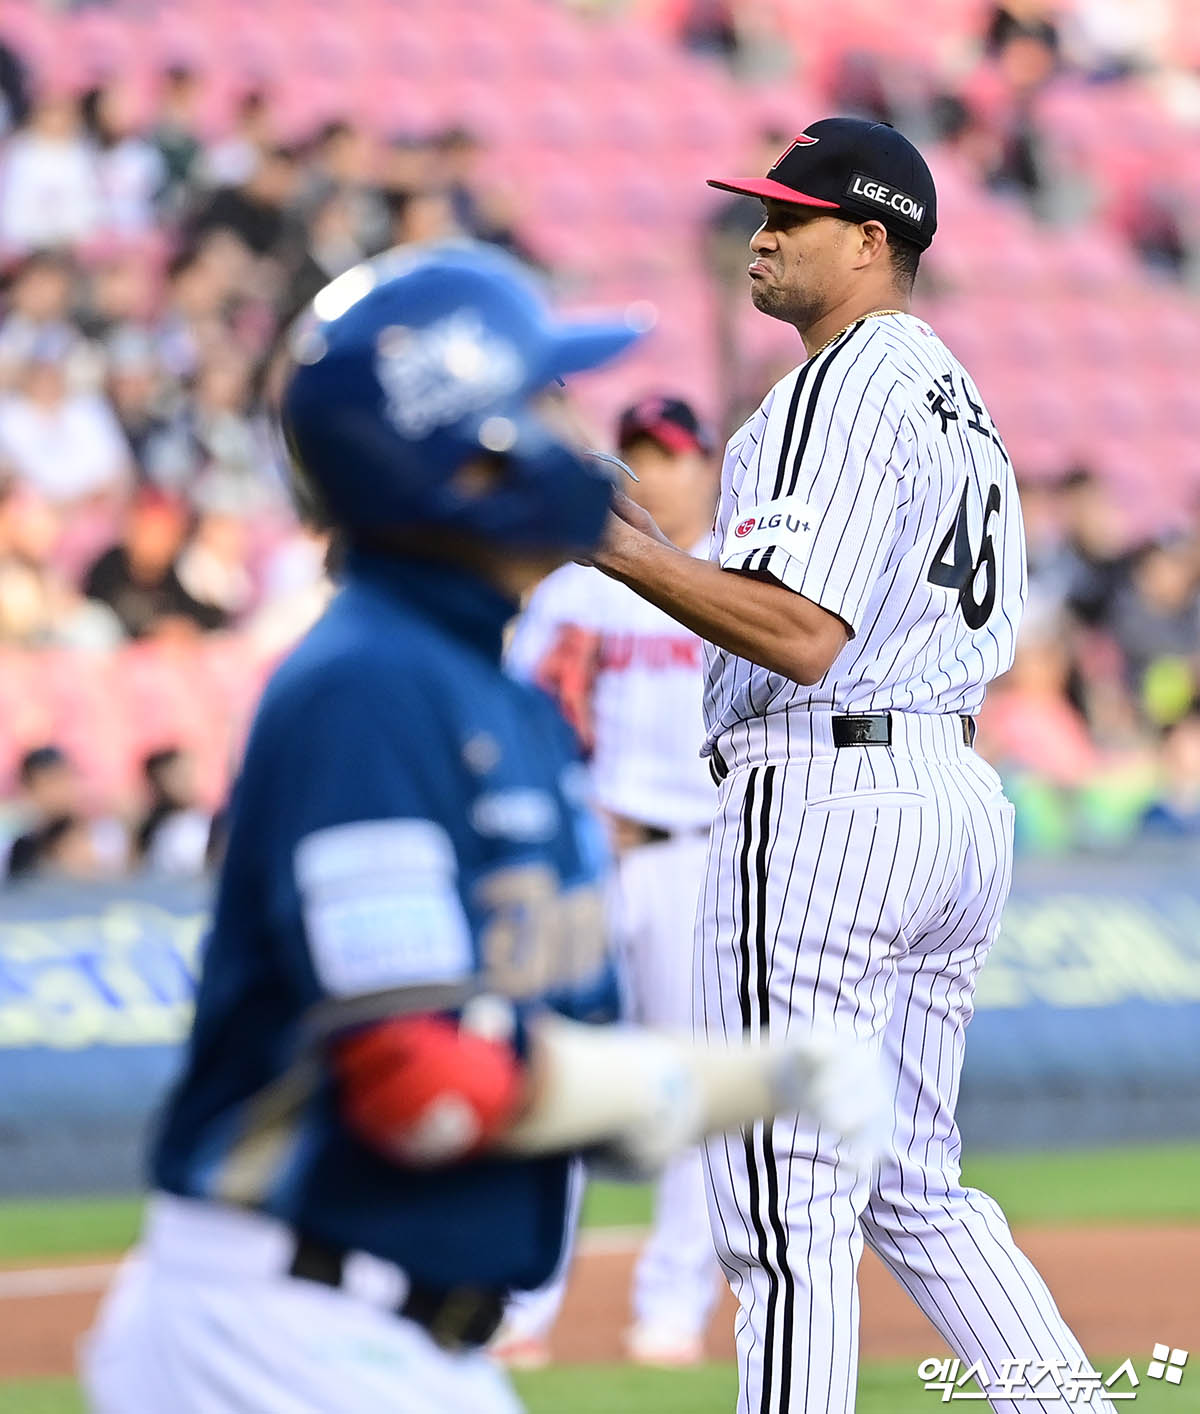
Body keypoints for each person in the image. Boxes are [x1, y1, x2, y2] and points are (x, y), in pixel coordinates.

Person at [78, 243, 879, 1414]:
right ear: (468, 457)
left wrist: (732, 1082)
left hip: (393, 1327)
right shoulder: (370, 690)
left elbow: (547, 1058)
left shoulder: (496, 690)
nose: (582, 439)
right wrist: (747, 1074)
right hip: (281, 1330)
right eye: (544, 403)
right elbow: (424, 1084)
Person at [587, 118, 1116, 1413]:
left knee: (783, 1206)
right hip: (946, 795)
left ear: (871, 239)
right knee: (910, 1186)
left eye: (791, 215)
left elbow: (802, 633)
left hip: (829, 798)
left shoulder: (835, 384)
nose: (759, 235)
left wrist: (627, 550)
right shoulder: (952, 392)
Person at [497, 396, 722, 1368]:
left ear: (707, 465)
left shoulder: (746, 575)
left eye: (670, 455)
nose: (656, 473)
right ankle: (519, 1305)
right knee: (554, 1085)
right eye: (638, 455)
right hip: (592, 860)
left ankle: (672, 1308)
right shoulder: (577, 590)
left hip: (701, 852)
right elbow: (522, 711)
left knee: (693, 1090)